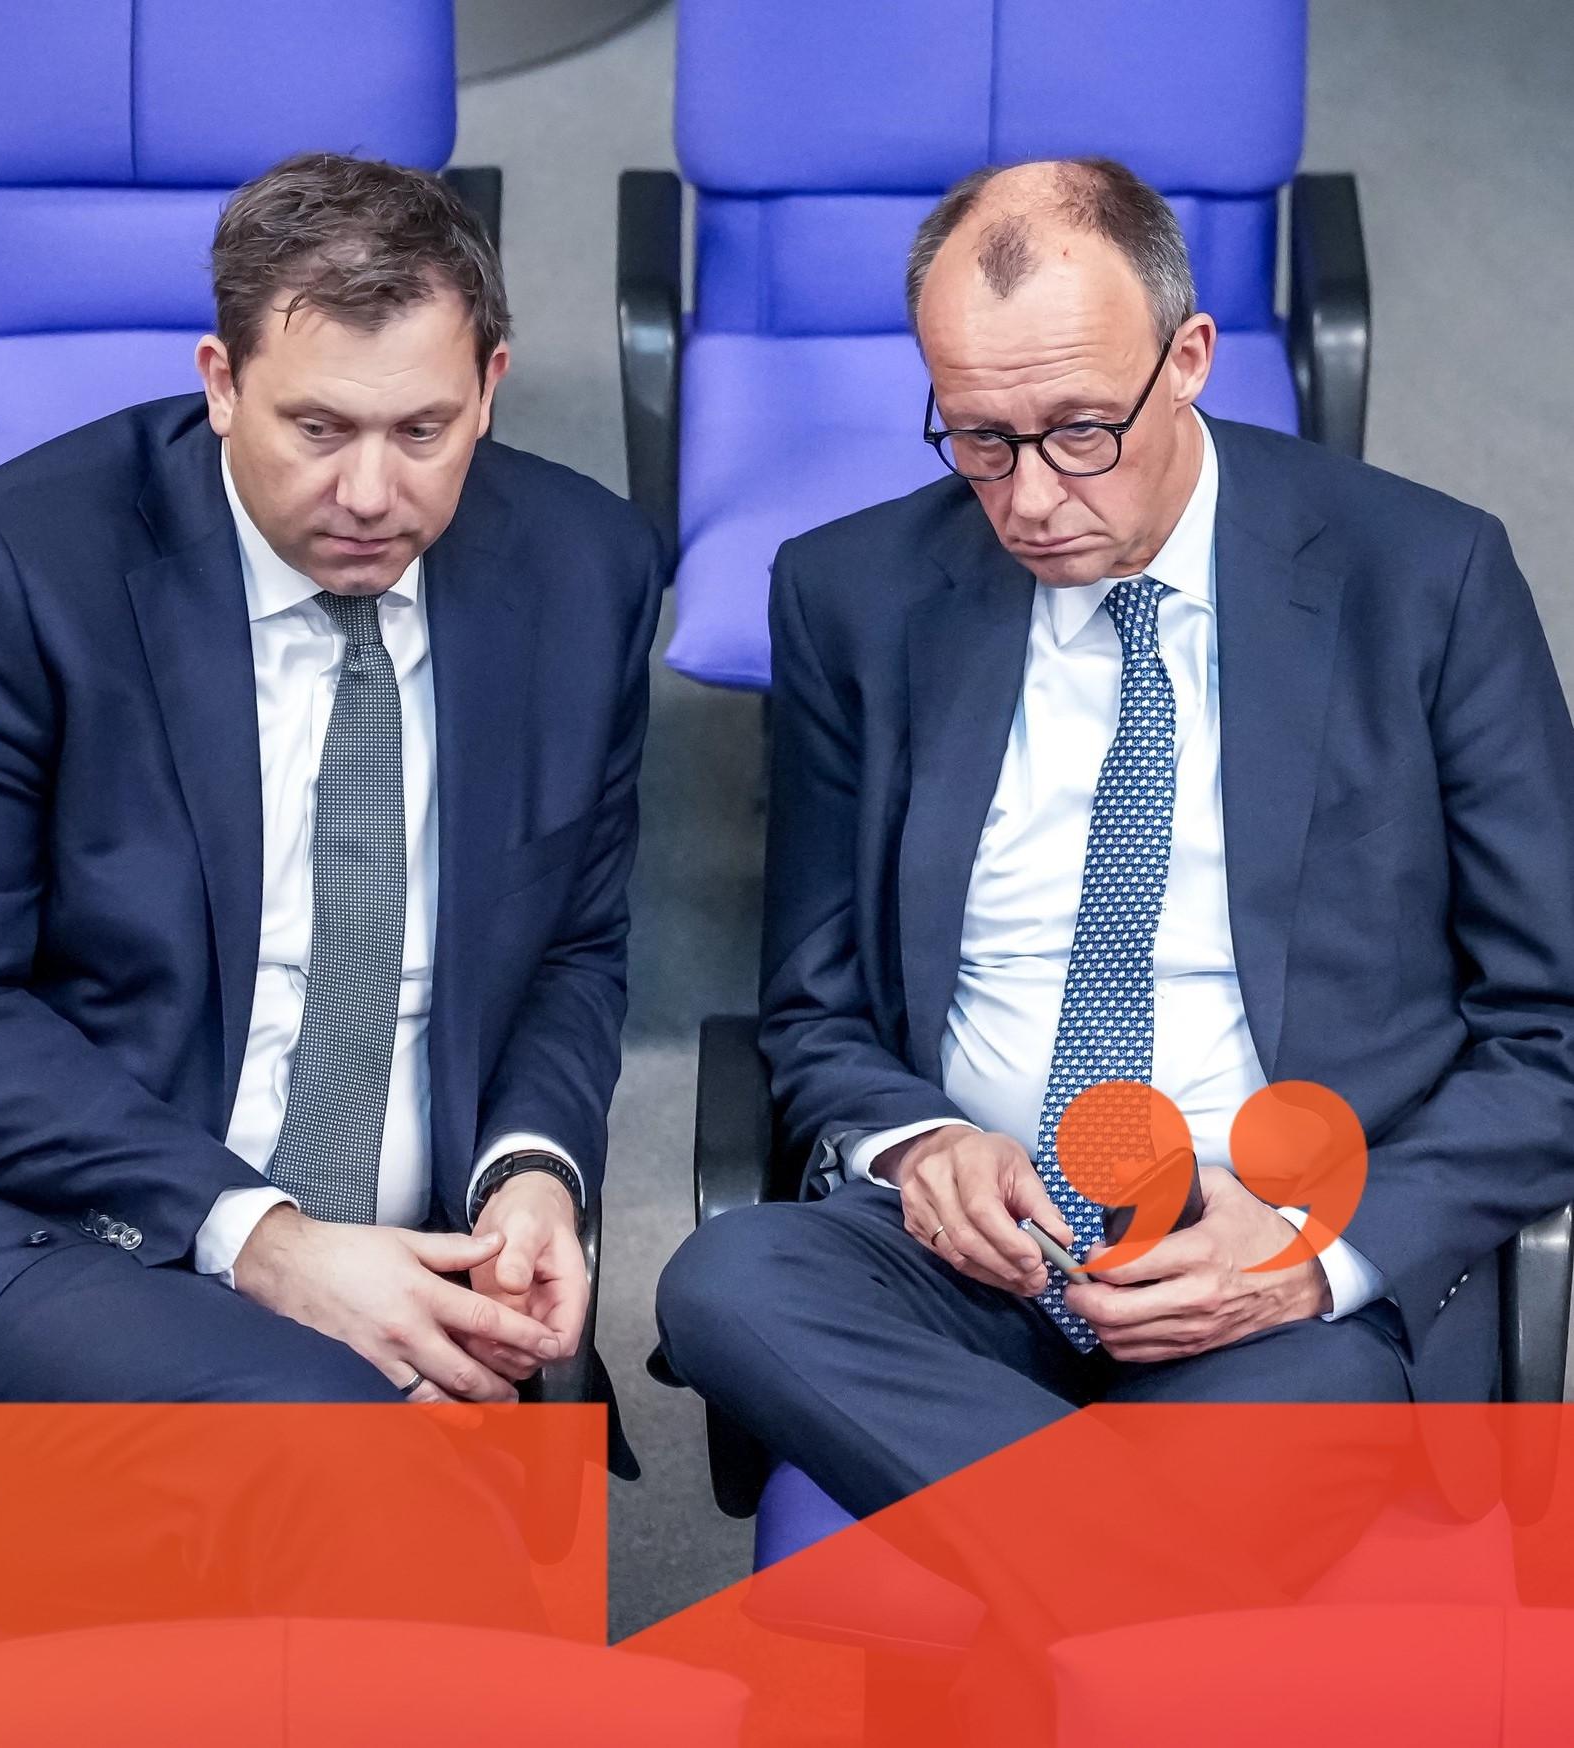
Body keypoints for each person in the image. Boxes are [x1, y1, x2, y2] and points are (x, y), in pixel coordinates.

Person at [656, 156, 1574, 1727]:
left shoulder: (1424, 579)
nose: (1028, 497)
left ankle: (1052, 1617)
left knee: (1314, 1401)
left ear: (1191, 358)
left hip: (1273, 1271)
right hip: (973, 1261)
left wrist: (1315, 1261)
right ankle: (1150, 1613)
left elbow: (1552, 1032)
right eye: (978, 437)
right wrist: (915, 1143)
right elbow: (810, 1012)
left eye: (1081, 431)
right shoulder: (852, 596)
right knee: (726, 1280)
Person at [0, 153, 661, 1560]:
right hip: (58, 1219)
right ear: (221, 384)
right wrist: (263, 1240)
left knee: (400, 1514)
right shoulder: (2, 577)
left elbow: (573, 945)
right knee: (354, 1477)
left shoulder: (585, 570)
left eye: (423, 429)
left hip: (408, 1253)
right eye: (317, 427)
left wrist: (531, 1170)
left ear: (493, 387)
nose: (371, 491)